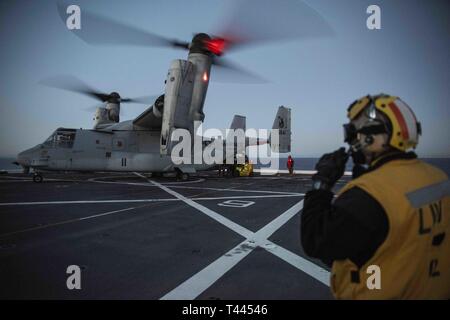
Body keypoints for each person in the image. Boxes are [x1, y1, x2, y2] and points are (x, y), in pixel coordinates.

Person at [301, 94, 449, 299]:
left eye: (354, 133)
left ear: (371, 137)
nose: (352, 141)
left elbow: (315, 241)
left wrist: (321, 185)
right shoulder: (438, 178)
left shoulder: (368, 194)